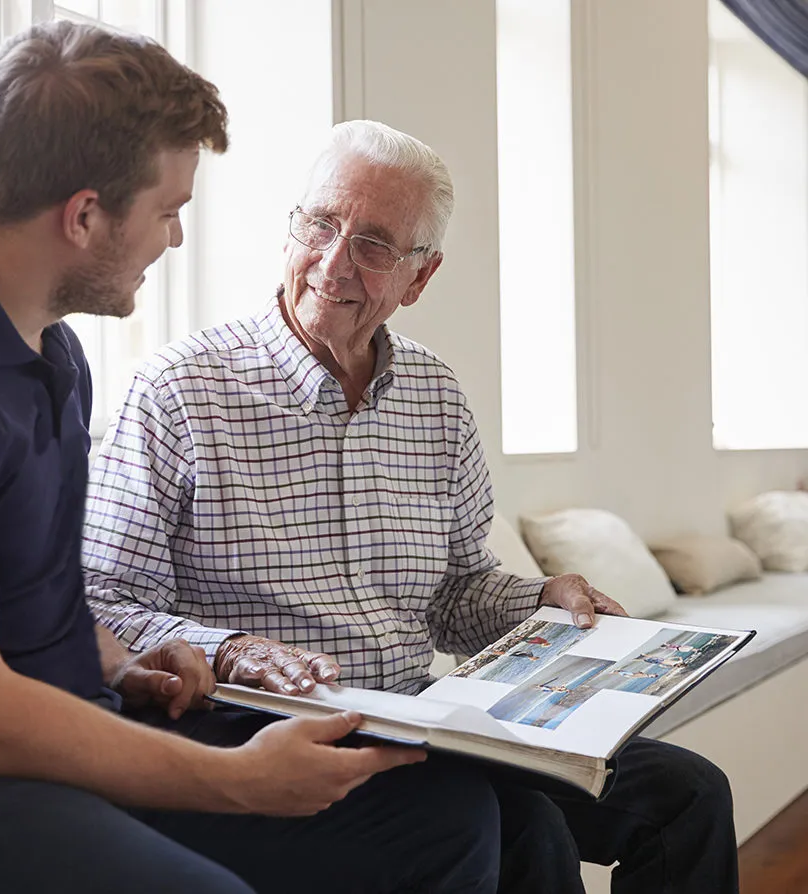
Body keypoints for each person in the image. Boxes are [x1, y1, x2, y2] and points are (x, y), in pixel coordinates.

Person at [0, 26, 504, 894]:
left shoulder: (52, 354)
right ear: (85, 216)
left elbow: (41, 602)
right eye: (168, 211)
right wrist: (240, 782)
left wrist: (125, 664)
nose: (177, 240)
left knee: (454, 823)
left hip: (71, 720)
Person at [83, 119, 740, 894]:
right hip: (266, 728)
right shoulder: (177, 390)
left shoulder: (437, 398)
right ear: (292, 226)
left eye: (374, 244)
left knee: (689, 796)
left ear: (418, 279)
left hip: (429, 716)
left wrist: (542, 599)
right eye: (322, 224)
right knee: (526, 826)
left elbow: (458, 592)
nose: (334, 262)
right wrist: (232, 648)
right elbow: (105, 600)